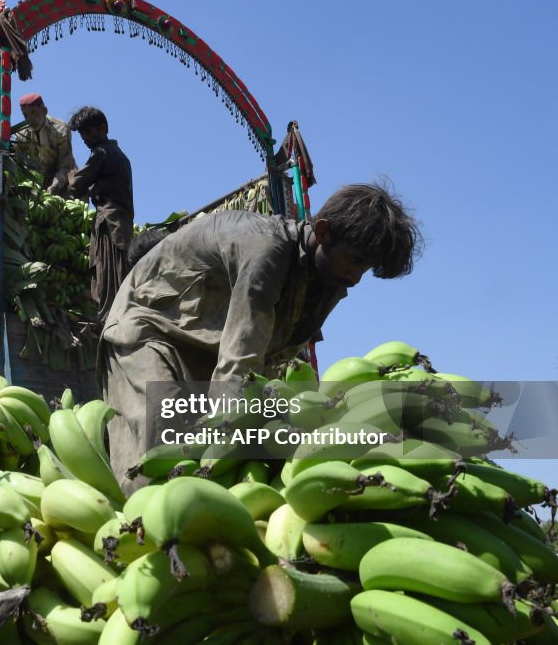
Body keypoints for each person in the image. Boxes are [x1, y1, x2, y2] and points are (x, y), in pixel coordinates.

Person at [99, 183, 423, 494]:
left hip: (202, 344)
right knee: (161, 448)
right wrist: (232, 431)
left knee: (212, 453)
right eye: (354, 260)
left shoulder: (328, 281)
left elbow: (265, 364)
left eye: (365, 267)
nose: (356, 276)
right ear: (322, 232)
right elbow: (241, 357)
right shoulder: (267, 250)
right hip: (148, 326)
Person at [67, 106, 135, 319]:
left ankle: (110, 319)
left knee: (108, 277)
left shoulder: (102, 152)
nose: (85, 139)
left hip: (110, 223)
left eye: (88, 132)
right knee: (117, 275)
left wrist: (68, 174)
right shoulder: (121, 156)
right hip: (121, 223)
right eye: (81, 135)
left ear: (103, 128)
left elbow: (75, 185)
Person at [12, 93, 77, 196]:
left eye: (34, 113)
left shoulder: (61, 130)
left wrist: (55, 185)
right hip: (37, 182)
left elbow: (65, 166)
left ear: (44, 111)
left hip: (64, 180)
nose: (31, 119)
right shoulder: (21, 135)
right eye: (26, 115)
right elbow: (16, 161)